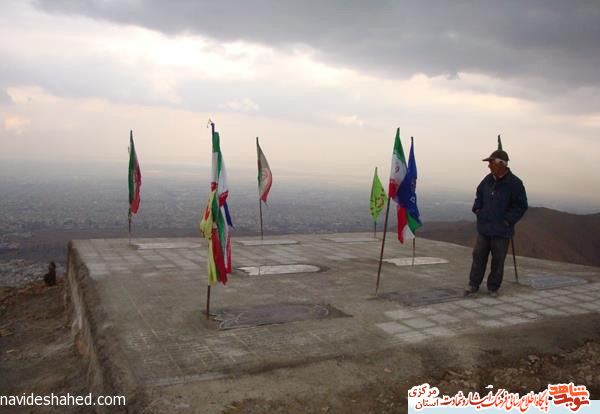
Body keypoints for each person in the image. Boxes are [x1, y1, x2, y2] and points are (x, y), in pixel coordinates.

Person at [465, 150, 528, 297]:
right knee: (478, 256)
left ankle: (493, 287)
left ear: (501, 164)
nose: (488, 166)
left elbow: (520, 206)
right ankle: (473, 284)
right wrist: (478, 209)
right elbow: (479, 194)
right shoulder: (487, 179)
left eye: (491, 162)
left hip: (502, 230)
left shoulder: (515, 183)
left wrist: (507, 220)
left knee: (498, 260)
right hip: (485, 228)